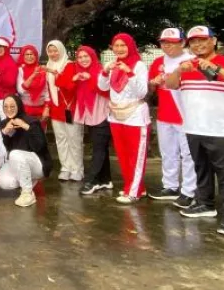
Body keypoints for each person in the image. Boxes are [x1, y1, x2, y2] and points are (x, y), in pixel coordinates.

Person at [166, 26, 224, 236]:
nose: (198, 45)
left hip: (222, 131)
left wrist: (217, 68)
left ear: (214, 41)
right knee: (201, 170)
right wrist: (178, 71)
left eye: (202, 40)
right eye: (193, 42)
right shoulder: (187, 65)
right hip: (194, 128)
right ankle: (205, 204)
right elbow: (170, 85)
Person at [97, 33, 150, 204]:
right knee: (123, 154)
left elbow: (141, 92)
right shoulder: (113, 65)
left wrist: (129, 73)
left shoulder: (139, 65)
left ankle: (133, 192)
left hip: (135, 116)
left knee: (136, 155)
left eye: (123, 45)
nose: (119, 49)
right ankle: (134, 187)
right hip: (116, 115)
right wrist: (105, 71)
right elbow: (102, 87)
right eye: (116, 46)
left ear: (130, 46)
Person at [148, 28, 196, 208]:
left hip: (186, 116)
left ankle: (189, 191)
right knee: (168, 152)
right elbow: (150, 89)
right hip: (164, 114)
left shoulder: (191, 61)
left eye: (172, 42)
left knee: (188, 155)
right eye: (163, 42)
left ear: (182, 43)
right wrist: (153, 83)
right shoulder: (157, 62)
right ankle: (170, 186)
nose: (167, 46)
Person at [0, 94, 53, 207]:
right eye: (6, 106)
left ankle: (27, 193)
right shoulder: (3, 124)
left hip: (38, 163)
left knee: (14, 154)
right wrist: (4, 133)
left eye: (12, 106)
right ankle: (29, 181)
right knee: (4, 181)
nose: (9, 109)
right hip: (18, 163)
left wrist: (26, 126)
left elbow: (40, 146)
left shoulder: (31, 121)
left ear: (19, 106)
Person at [72, 46, 113, 195]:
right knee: (101, 147)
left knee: (98, 149)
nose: (83, 59)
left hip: (102, 114)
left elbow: (106, 91)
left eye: (86, 56)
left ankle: (92, 181)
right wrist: (75, 79)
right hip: (91, 115)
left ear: (92, 56)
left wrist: (91, 79)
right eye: (80, 57)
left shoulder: (100, 71)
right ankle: (105, 179)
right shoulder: (80, 72)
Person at [44, 40, 80, 182]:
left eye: (55, 50)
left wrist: (56, 74)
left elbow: (70, 86)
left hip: (69, 107)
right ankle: (66, 167)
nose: (53, 54)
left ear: (61, 50)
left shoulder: (69, 65)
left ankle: (77, 169)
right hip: (56, 108)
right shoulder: (48, 66)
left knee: (74, 139)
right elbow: (47, 89)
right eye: (50, 51)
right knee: (61, 140)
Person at [16, 44, 49, 128]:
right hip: (25, 110)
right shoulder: (20, 70)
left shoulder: (42, 70)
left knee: (41, 133)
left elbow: (46, 92)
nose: (29, 57)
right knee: (26, 133)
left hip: (41, 110)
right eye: (27, 54)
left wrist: (47, 108)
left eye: (32, 54)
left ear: (36, 56)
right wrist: (33, 75)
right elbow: (21, 90)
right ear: (23, 56)